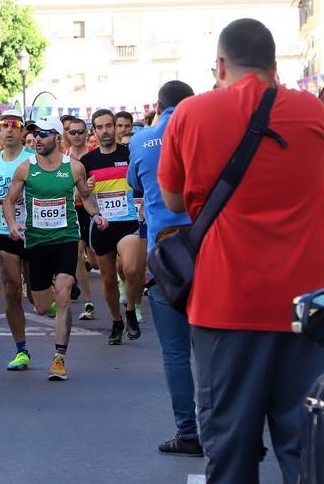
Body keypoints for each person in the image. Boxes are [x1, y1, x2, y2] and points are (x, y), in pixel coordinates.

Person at [159, 18, 324, 482]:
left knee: (230, 449)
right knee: (307, 448)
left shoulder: (191, 114)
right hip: (306, 310)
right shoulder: (313, 112)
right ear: (275, 68)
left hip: (225, 306)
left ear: (219, 64)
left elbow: (174, 201)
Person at [127, 80, 202, 456]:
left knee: (175, 354)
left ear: (158, 106)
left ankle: (187, 433)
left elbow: (134, 184)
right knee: (215, 352)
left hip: (166, 258)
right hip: (209, 255)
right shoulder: (207, 137)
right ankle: (225, 429)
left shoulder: (141, 142)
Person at [4, 116, 107, 380]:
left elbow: (85, 196)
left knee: (62, 295)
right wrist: (13, 224)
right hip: (36, 242)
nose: (37, 139)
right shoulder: (25, 169)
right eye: (35, 134)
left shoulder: (74, 168)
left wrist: (95, 214)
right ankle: (44, 295)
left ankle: (59, 358)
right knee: (40, 306)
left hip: (65, 239)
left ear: (57, 137)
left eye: (44, 134)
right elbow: (9, 201)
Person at [82, 109, 143, 345]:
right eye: (100, 127)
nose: (106, 131)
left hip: (128, 223)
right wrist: (87, 194)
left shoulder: (130, 154)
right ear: (94, 131)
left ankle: (130, 310)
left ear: (117, 127)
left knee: (130, 270)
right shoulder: (87, 161)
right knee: (108, 281)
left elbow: (143, 182)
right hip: (103, 225)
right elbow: (80, 195)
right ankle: (117, 321)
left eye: (110, 126)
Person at [0, 110, 33, 370]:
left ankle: (43, 297)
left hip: (35, 231)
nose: (9, 130)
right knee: (11, 290)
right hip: (4, 231)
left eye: (14, 125)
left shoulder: (33, 159)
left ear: (22, 130)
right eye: (4, 125)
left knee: (38, 303)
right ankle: (21, 349)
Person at [64, 118, 96, 319]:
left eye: (80, 132)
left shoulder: (94, 155)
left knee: (96, 260)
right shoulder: (64, 158)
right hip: (73, 210)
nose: (76, 136)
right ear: (67, 135)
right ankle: (88, 302)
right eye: (72, 132)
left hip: (94, 209)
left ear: (86, 133)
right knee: (77, 253)